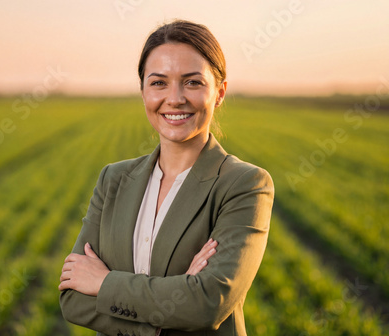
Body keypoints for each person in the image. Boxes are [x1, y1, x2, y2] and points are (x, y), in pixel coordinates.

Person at [58, 19, 274, 336]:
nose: (174, 98)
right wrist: (176, 298)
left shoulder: (244, 184)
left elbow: (207, 301)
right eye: (159, 83)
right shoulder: (113, 179)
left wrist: (105, 283)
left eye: (192, 82)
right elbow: (74, 299)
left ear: (220, 92)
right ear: (143, 91)